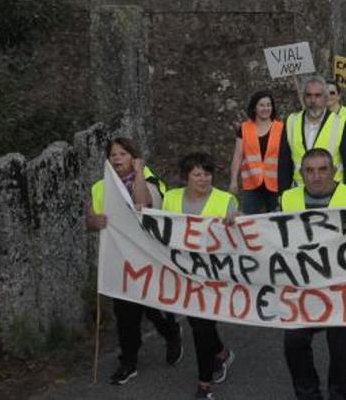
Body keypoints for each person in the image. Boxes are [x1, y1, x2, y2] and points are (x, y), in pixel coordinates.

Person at [85, 137, 181, 386]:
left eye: (123, 154)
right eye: (113, 155)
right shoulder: (100, 187)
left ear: (134, 157)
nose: (117, 158)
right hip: (120, 260)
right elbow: (90, 220)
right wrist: (95, 222)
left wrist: (138, 172)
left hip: (149, 257)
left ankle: (170, 332)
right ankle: (128, 361)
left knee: (153, 306)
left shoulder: (150, 180)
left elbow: (143, 203)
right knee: (125, 314)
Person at [278, 148, 346, 400]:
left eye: (322, 169)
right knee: (293, 343)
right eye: (309, 170)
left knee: (341, 350)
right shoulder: (286, 199)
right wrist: (235, 222)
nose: (316, 176)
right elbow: (263, 232)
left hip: (344, 290)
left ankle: (339, 395)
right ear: (301, 174)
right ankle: (308, 394)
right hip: (302, 289)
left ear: (335, 171)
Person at [163, 152, 236, 400]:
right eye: (197, 174)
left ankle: (204, 385)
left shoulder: (226, 200)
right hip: (183, 274)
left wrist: (237, 223)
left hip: (214, 277)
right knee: (196, 323)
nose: (203, 179)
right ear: (186, 177)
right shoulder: (170, 198)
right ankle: (221, 353)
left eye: (207, 173)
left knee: (202, 328)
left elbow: (244, 234)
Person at [278, 75, 346, 190]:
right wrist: (283, 194)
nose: (313, 100)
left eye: (318, 96)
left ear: (326, 98)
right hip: (299, 193)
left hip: (333, 193)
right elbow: (284, 164)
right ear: (303, 98)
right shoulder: (291, 122)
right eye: (309, 95)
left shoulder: (341, 123)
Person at [229, 90, 284, 214]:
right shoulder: (244, 128)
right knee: (248, 220)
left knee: (276, 220)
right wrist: (233, 181)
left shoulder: (281, 128)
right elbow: (237, 156)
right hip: (251, 183)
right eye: (262, 105)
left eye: (269, 105)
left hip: (275, 184)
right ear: (254, 108)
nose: (266, 108)